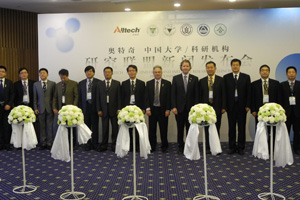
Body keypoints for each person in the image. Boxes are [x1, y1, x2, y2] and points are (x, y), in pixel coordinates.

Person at [223, 59, 251, 155]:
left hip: (242, 107)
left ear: (240, 66)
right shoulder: (226, 77)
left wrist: (248, 105)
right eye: (233, 65)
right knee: (231, 127)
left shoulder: (246, 77)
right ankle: (231, 147)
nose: (235, 66)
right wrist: (225, 106)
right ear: (231, 66)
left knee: (241, 128)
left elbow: (248, 93)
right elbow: (224, 93)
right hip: (231, 107)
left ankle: (241, 147)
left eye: (237, 65)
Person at [198, 61, 226, 154]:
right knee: (206, 128)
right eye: (208, 67)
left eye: (211, 67)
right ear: (206, 69)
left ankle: (216, 147)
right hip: (205, 110)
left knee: (216, 128)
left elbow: (224, 95)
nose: (209, 69)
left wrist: (223, 107)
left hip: (217, 108)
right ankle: (207, 147)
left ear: (215, 68)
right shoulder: (201, 81)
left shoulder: (221, 80)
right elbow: (199, 96)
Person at [171, 60, 198, 154]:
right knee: (180, 128)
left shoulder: (194, 78)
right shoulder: (176, 78)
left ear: (190, 67)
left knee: (190, 129)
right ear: (181, 67)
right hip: (179, 109)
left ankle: (189, 146)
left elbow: (196, 95)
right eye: (183, 66)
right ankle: (180, 147)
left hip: (191, 110)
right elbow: (173, 94)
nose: (185, 67)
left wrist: (195, 109)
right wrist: (173, 107)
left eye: (187, 66)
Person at [145, 65, 171, 153]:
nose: (157, 73)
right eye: (155, 72)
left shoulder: (167, 83)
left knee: (163, 129)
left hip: (163, 110)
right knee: (152, 129)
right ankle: (152, 146)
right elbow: (147, 97)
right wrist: (147, 108)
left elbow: (169, 98)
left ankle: (164, 146)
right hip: (152, 110)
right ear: (153, 73)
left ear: (161, 73)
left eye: (159, 72)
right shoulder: (149, 83)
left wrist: (168, 109)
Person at [78, 66, 103, 151]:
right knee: (86, 126)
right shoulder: (81, 83)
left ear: (94, 73)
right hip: (85, 107)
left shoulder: (99, 82)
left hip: (95, 107)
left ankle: (95, 143)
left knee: (95, 126)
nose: (89, 73)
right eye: (87, 71)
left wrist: (99, 108)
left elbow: (100, 97)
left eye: (90, 71)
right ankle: (88, 144)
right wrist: (80, 109)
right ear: (85, 73)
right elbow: (80, 98)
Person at [121, 65, 145, 151]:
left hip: (138, 109)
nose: (131, 72)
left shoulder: (141, 83)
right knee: (129, 128)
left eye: (133, 70)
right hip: (127, 110)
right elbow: (122, 98)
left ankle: (137, 146)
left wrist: (143, 108)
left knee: (138, 128)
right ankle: (130, 146)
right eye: (130, 71)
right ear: (128, 72)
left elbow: (144, 97)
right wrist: (121, 110)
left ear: (136, 72)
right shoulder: (124, 83)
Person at [53, 69, 78, 147]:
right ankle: (63, 144)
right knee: (62, 127)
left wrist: (73, 108)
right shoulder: (57, 85)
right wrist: (54, 108)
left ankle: (72, 144)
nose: (63, 80)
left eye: (64, 78)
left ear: (67, 76)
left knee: (72, 127)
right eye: (61, 78)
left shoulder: (74, 84)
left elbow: (76, 96)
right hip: (61, 109)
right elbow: (55, 98)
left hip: (71, 109)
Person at [33, 68, 56, 150]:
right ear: (39, 75)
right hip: (40, 108)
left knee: (50, 126)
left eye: (44, 73)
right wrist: (35, 108)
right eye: (41, 73)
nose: (42, 74)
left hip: (50, 108)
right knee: (42, 126)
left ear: (47, 74)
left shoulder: (53, 84)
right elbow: (35, 98)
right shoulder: (36, 84)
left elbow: (54, 97)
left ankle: (50, 142)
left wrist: (54, 107)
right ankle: (43, 142)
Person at [99, 66, 121, 152]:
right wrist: (99, 109)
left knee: (115, 129)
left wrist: (119, 109)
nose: (107, 73)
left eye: (109, 72)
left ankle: (114, 145)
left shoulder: (117, 83)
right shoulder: (100, 84)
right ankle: (104, 145)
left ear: (112, 73)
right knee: (105, 128)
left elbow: (119, 97)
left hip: (114, 110)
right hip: (103, 110)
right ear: (104, 73)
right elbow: (98, 97)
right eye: (105, 72)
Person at [280, 66, 300, 155]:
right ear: (286, 74)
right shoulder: (282, 85)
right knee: (285, 131)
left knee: (297, 131)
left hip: (297, 112)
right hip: (286, 113)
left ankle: (297, 148)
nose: (291, 74)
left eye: (293, 72)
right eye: (289, 72)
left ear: (296, 74)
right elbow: (280, 99)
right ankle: (285, 148)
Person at [0, 66, 14, 151]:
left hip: (6, 108)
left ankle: (7, 144)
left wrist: (9, 104)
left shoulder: (9, 82)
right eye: (0, 71)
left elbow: (12, 94)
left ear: (5, 73)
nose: (1, 73)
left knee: (6, 126)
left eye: (2, 71)